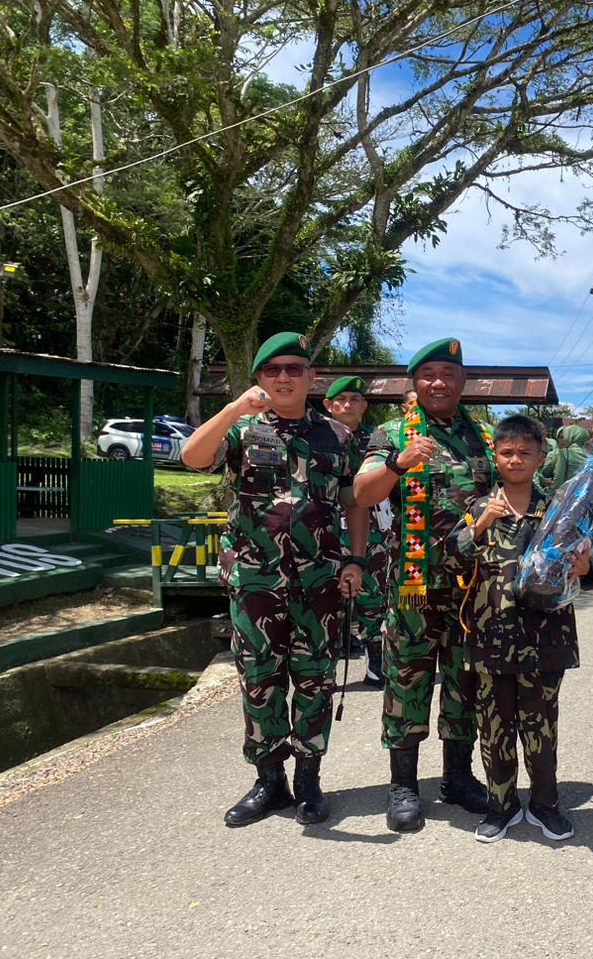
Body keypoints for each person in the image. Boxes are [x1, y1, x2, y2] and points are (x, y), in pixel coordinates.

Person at [181, 332, 366, 828]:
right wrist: (232, 409)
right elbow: (192, 457)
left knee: (315, 680)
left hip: (320, 582)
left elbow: (354, 502)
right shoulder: (243, 429)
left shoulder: (338, 436)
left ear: (311, 377)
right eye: (272, 370)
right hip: (255, 581)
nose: (283, 377)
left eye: (294, 368)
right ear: (259, 377)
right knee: (259, 680)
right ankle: (269, 780)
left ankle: (308, 779)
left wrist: (356, 559)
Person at [354, 337, 495, 832]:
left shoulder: (484, 437)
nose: (439, 382)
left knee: (465, 681)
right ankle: (404, 785)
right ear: (415, 382)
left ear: (463, 382)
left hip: (472, 586)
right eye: (429, 374)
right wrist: (399, 462)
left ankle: (457, 777)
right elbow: (362, 493)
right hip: (414, 587)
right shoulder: (392, 433)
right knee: (407, 680)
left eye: (449, 374)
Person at [454, 415, 592, 843]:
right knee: (494, 726)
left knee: (541, 726)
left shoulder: (559, 508)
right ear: (495, 457)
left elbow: (588, 560)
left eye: (525, 452)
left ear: (541, 457)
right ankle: (501, 805)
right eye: (507, 452)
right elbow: (450, 557)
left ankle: (545, 804)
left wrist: (585, 567)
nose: (516, 460)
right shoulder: (478, 507)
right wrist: (481, 523)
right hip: (491, 637)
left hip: (544, 639)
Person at [324, 375, 392, 687]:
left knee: (371, 596)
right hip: (324, 529)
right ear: (329, 405)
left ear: (364, 406)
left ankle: (375, 661)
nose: (347, 405)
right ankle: (324, 666)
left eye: (354, 399)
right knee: (325, 597)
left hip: (370, 530)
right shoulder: (317, 437)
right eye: (340, 400)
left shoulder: (377, 441)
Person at [548, 424, 590, 490]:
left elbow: (558, 477)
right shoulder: (590, 453)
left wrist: (550, 490)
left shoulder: (565, 452)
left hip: (568, 491)